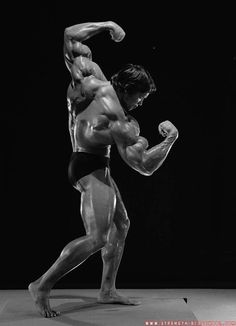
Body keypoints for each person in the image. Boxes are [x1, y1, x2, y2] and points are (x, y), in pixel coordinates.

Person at [28, 21, 179, 318]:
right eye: (141, 97)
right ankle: (41, 285)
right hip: (89, 168)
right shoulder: (121, 121)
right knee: (97, 237)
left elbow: (70, 35)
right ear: (129, 89)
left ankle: (107, 290)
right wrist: (171, 139)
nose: (141, 103)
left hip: (92, 163)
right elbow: (144, 166)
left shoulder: (89, 79)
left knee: (121, 225)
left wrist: (107, 25)